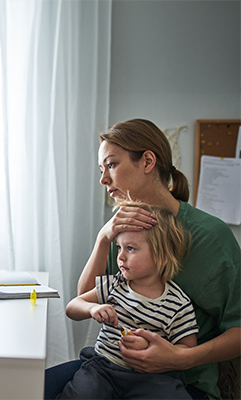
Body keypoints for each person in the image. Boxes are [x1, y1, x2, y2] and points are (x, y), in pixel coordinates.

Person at [45, 119, 241, 400]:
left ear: (147, 161)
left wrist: (179, 358)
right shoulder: (123, 230)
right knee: (29, 387)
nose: (103, 179)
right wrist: (104, 238)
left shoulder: (212, 237)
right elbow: (84, 297)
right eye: (101, 170)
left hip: (179, 381)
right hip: (111, 368)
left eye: (111, 165)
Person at [59, 200, 199, 399]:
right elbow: (72, 307)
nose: (120, 257)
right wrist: (91, 309)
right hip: (103, 369)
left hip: (152, 378)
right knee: (82, 394)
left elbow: (187, 350)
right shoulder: (116, 284)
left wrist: (156, 349)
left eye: (130, 248)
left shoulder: (178, 304)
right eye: (119, 248)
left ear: (161, 254)